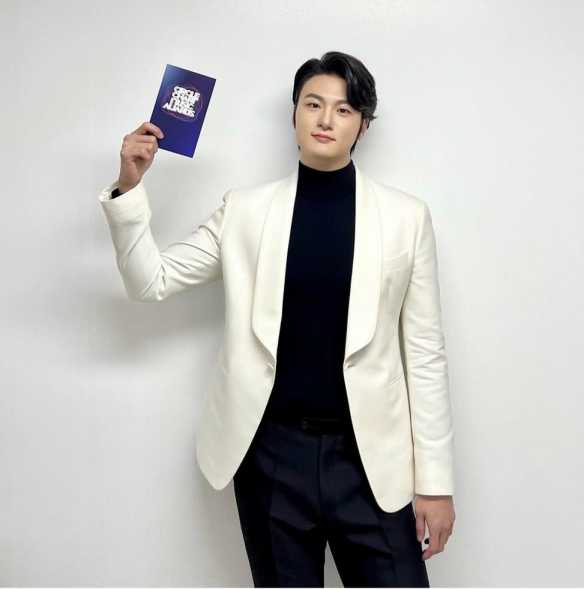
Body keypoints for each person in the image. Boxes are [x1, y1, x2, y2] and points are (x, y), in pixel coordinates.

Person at [98, 50, 456, 587]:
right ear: (294, 114)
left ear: (362, 124)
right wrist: (129, 188)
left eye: (343, 109)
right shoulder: (245, 210)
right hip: (271, 456)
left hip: (370, 459)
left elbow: (425, 354)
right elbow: (151, 281)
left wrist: (435, 483)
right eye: (313, 104)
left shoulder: (406, 218)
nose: (325, 119)